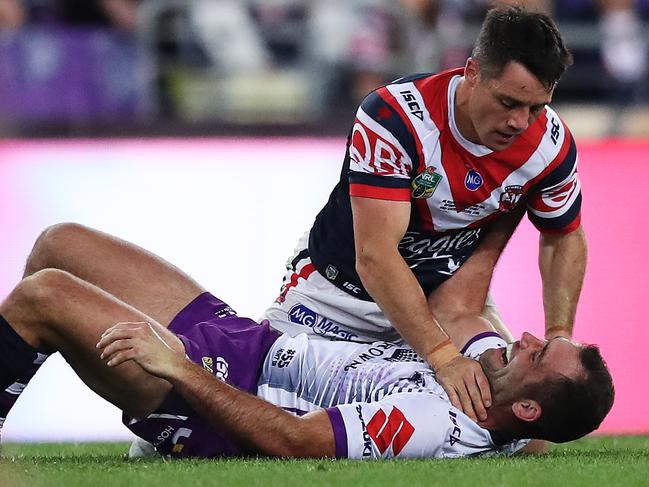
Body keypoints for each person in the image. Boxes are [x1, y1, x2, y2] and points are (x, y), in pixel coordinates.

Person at [0, 225, 613, 459]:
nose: (528, 337)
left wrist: (180, 371)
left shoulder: (434, 423)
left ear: (528, 405)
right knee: (60, 245)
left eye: (538, 352)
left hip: (208, 389)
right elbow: (533, 418)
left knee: (44, 294)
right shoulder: (500, 396)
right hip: (247, 340)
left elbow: (293, 441)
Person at [262, 5, 586, 422]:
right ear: (471, 72)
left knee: (524, 431)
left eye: (537, 107)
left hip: (449, 307)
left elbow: (563, 236)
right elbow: (375, 256)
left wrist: (559, 336)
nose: (520, 122)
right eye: (508, 102)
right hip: (336, 301)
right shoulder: (396, 118)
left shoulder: (549, 144)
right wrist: (441, 356)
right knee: (251, 414)